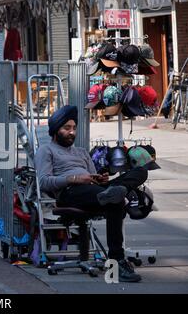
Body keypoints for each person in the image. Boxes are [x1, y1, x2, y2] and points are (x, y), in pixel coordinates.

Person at [35, 105, 148, 283]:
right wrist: (74, 179)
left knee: (140, 171)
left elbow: (93, 177)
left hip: (95, 190)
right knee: (115, 201)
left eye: (74, 128)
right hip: (70, 192)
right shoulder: (46, 150)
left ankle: (118, 192)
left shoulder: (81, 152)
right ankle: (117, 262)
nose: (72, 132)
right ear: (56, 130)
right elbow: (44, 182)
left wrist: (100, 179)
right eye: (67, 128)